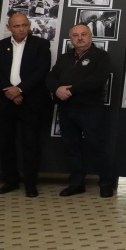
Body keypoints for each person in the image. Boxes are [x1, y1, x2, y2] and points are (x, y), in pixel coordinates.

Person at [0, 13, 53, 197]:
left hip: (31, 101)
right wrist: (10, 91)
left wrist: (20, 90)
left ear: (29, 25)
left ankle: (31, 184)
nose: (21, 29)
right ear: (9, 28)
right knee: (6, 144)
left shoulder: (41, 45)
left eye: (24, 25)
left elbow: (41, 71)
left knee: (31, 144)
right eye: (16, 26)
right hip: (5, 101)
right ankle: (10, 181)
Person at [47, 24, 115, 197]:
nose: (80, 38)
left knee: (97, 146)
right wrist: (57, 89)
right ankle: (76, 183)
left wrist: (70, 90)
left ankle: (106, 183)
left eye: (83, 34)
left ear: (90, 37)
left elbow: (97, 80)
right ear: (71, 39)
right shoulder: (64, 57)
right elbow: (51, 77)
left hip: (90, 110)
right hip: (66, 109)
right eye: (75, 35)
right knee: (71, 147)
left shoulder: (101, 56)